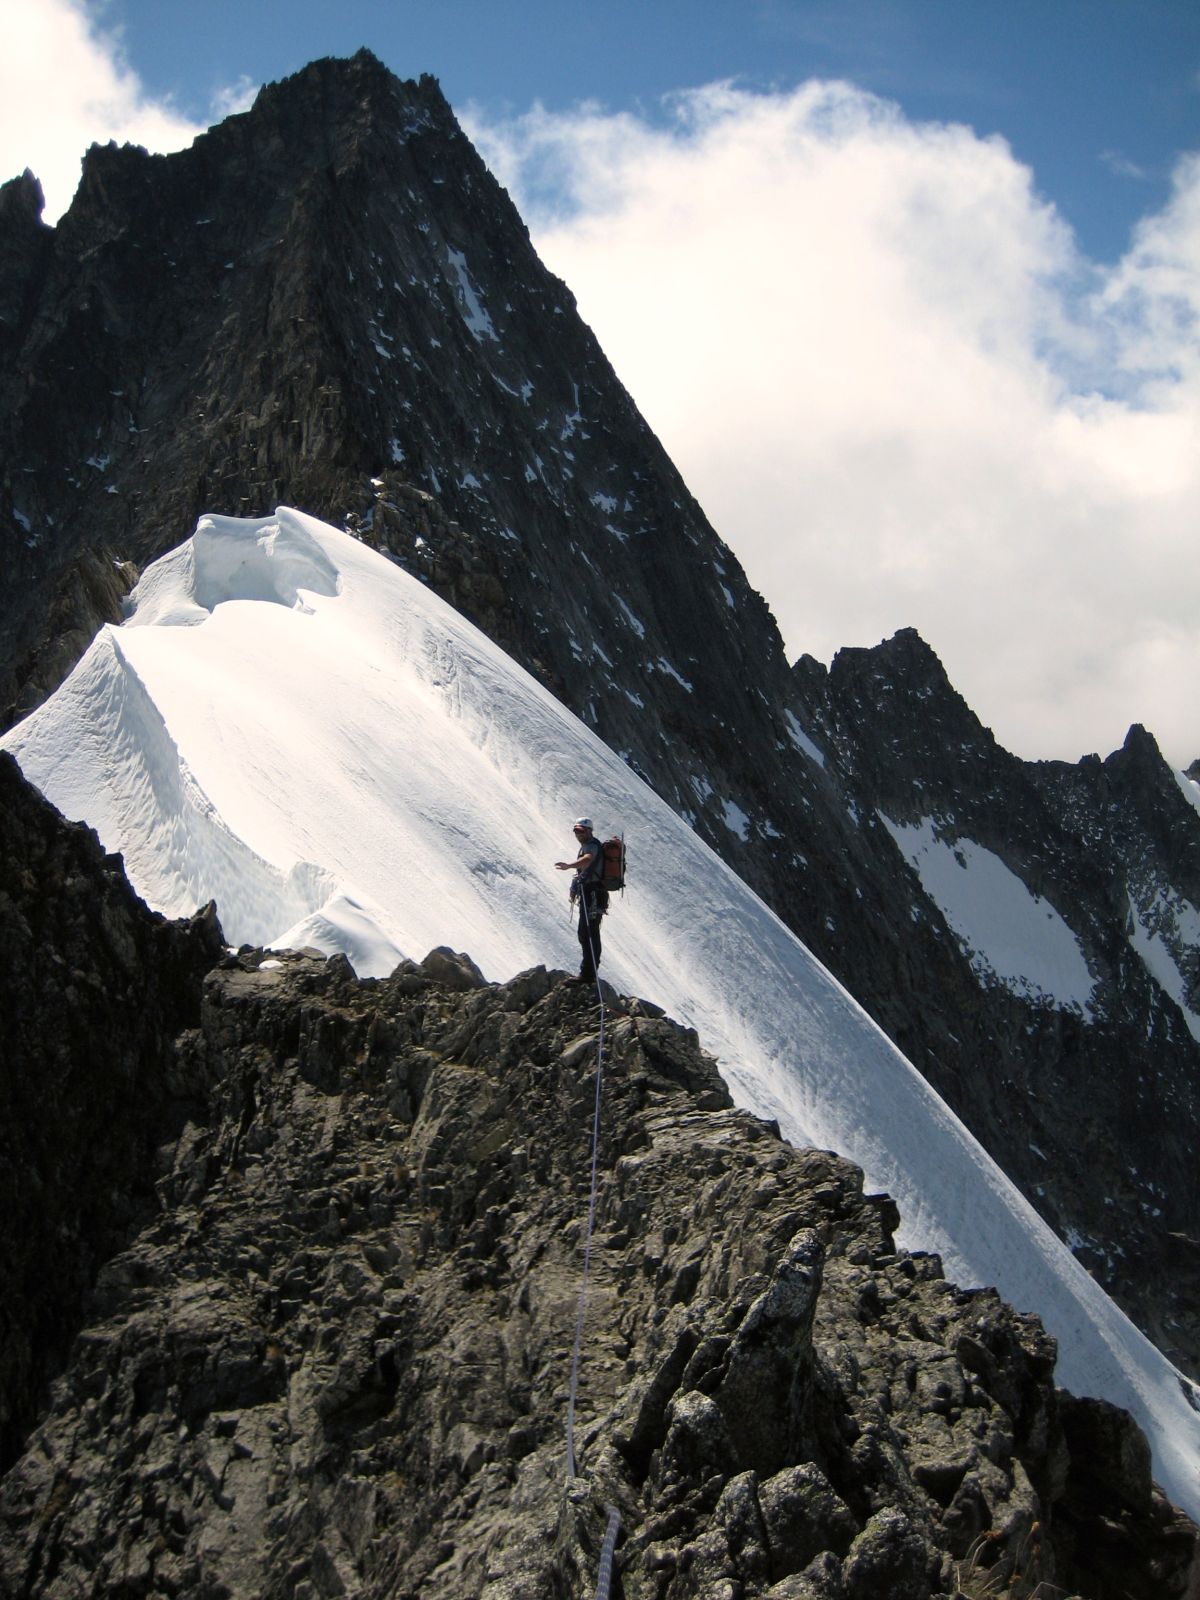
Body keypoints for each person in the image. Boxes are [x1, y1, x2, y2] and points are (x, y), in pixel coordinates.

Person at [555, 817, 608, 983]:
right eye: (576, 831)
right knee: (586, 933)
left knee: (589, 933)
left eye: (581, 831)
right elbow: (584, 869)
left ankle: (588, 974)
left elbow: (588, 859)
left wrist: (569, 865)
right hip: (590, 893)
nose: (578, 834)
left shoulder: (592, 846)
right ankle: (588, 972)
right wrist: (574, 888)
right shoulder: (587, 845)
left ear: (589, 831)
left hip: (593, 894)